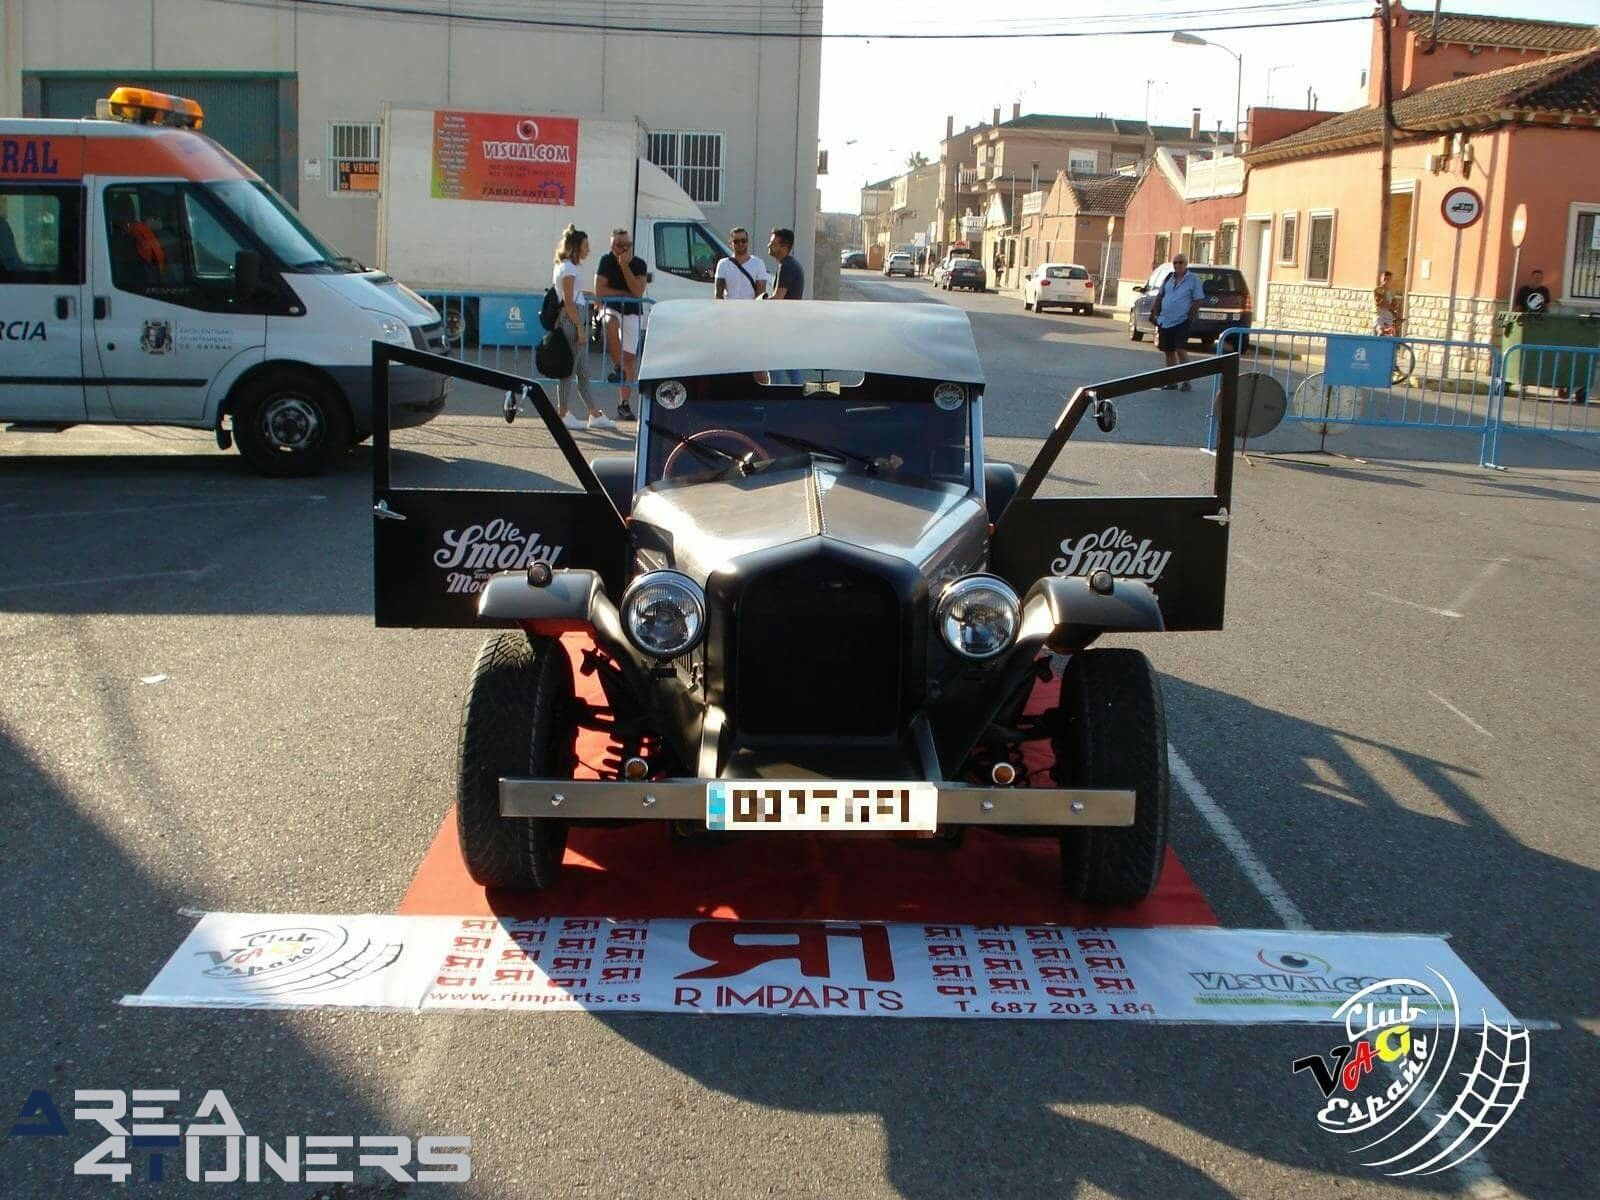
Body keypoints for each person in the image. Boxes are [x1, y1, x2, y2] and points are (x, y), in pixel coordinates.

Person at [551, 224, 617, 432]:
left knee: (583, 371)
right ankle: (562, 413)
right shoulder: (568, 269)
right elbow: (568, 302)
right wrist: (580, 328)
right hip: (572, 322)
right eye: (585, 246)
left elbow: (574, 294)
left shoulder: (568, 267)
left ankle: (594, 414)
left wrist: (592, 295)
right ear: (575, 247)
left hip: (575, 319)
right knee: (568, 371)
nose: (588, 250)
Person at [593, 227, 646, 422]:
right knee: (610, 322)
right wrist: (624, 294)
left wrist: (624, 266)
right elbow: (599, 290)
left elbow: (638, 292)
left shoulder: (639, 264)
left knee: (629, 359)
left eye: (627, 245)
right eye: (619, 245)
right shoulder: (606, 261)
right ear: (612, 246)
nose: (623, 248)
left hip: (632, 312)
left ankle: (624, 403)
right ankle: (617, 367)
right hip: (611, 309)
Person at [1151, 253, 1206, 389]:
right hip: (1165, 320)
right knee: (1168, 351)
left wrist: (1190, 317)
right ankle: (1172, 381)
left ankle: (1187, 381)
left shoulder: (1193, 279)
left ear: (1186, 264)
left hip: (1182, 321)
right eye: (1175, 262)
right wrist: (1156, 314)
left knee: (1180, 350)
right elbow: (1160, 296)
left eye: (1180, 262)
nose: (1177, 265)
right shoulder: (1169, 278)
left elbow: (1198, 300)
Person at [714, 227, 769, 301]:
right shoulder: (723, 264)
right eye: (736, 241)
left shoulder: (758, 263)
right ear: (730, 243)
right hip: (730, 307)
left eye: (743, 240)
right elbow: (718, 295)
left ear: (748, 241)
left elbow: (761, 295)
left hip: (751, 307)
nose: (740, 244)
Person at [766, 227, 804, 300]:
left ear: (784, 248)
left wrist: (760, 302)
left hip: (787, 307)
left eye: (773, 244)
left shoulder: (786, 266)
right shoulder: (792, 264)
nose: (768, 245)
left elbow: (777, 298)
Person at [1373, 269, 1404, 334]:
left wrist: (1396, 315)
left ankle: (1387, 331)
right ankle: (1383, 331)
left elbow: (1394, 305)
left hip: (1388, 317)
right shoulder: (1378, 290)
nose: (1386, 281)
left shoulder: (1392, 292)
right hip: (1379, 315)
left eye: (1388, 279)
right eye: (1385, 279)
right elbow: (1380, 304)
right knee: (1381, 332)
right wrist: (1384, 291)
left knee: (1391, 333)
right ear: (1381, 279)